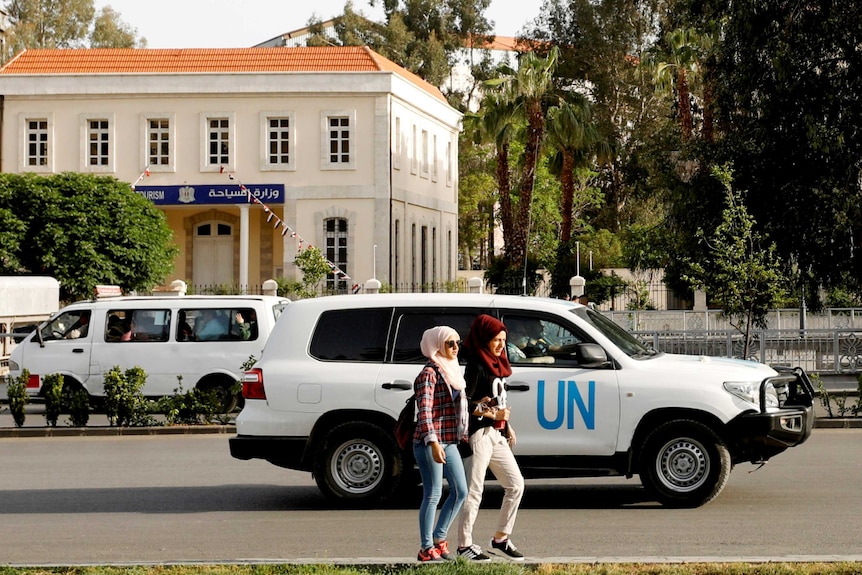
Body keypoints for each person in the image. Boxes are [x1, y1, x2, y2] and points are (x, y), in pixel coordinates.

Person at [457, 314, 525, 562]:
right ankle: (464, 545)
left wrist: (506, 425)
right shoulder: (476, 366)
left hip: (495, 433)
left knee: (516, 485)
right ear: (484, 338)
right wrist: (494, 413)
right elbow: (465, 405)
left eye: (503, 340)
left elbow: (497, 400)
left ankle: (500, 538)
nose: (500, 345)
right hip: (478, 435)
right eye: (496, 339)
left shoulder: (497, 364)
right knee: (474, 491)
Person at [412, 326, 469, 562]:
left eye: (458, 343)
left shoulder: (452, 370)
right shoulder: (429, 373)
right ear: (437, 345)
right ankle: (426, 547)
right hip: (430, 441)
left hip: (449, 440)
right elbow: (424, 412)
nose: (456, 348)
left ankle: (439, 538)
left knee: (460, 491)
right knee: (433, 493)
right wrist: (433, 443)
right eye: (450, 344)